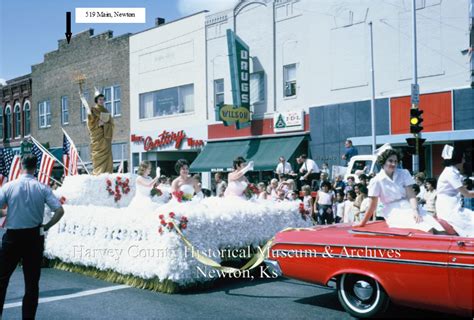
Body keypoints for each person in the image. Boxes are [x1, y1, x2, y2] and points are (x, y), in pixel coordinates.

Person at [0, 155, 65, 319]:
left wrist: (6, 212)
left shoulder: (9, 187)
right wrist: (47, 226)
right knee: (31, 283)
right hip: (34, 237)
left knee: (2, 280)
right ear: (36, 167)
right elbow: (59, 210)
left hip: (13, 237)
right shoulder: (42, 188)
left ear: (21, 166)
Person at [354, 146, 444, 233]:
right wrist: (362, 223)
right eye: (390, 161)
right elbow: (372, 205)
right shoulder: (376, 181)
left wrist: (415, 210)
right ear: (383, 161)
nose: (394, 164)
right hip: (393, 212)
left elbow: (411, 195)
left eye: (396, 161)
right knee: (427, 229)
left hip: (410, 207)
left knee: (439, 229)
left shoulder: (404, 173)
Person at [435, 145, 474, 237]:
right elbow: (467, 194)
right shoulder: (450, 173)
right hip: (449, 210)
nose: (464, 160)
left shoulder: (453, 171)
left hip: (453, 207)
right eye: (463, 158)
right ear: (458, 159)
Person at [80, 88, 114, 175]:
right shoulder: (93, 110)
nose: (102, 101)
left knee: (108, 155)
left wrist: (105, 125)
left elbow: (112, 124)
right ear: (96, 100)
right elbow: (90, 123)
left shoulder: (106, 111)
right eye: (100, 99)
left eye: (103, 99)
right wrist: (98, 124)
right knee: (97, 155)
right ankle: (98, 172)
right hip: (97, 137)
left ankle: (107, 172)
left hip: (105, 137)